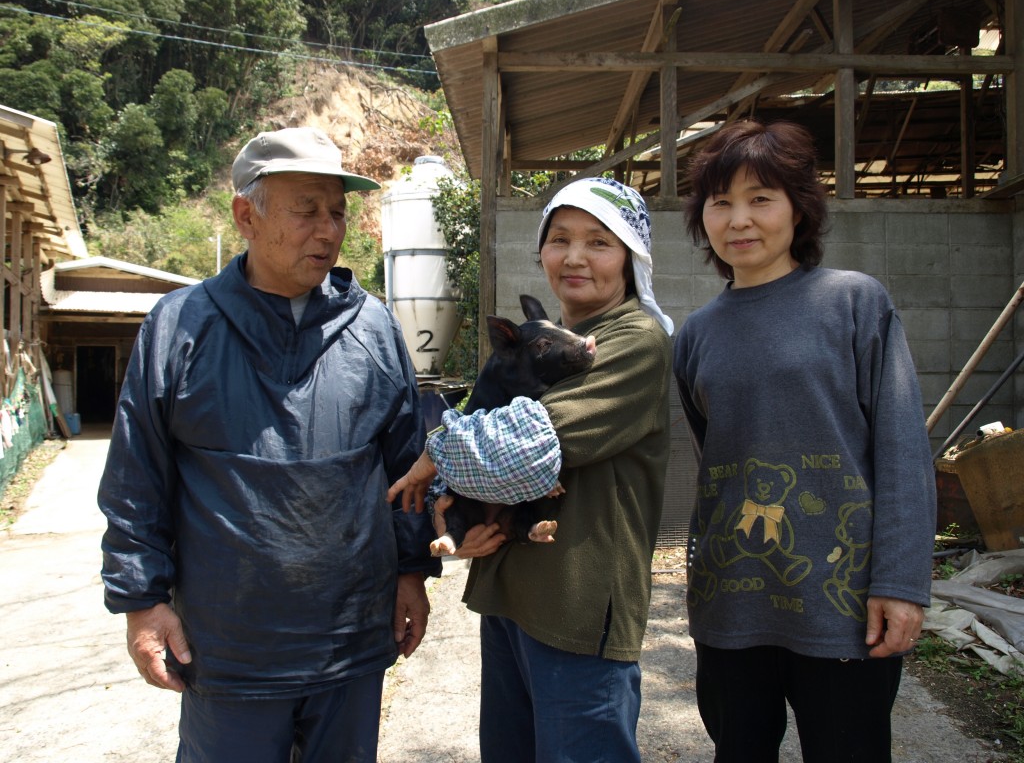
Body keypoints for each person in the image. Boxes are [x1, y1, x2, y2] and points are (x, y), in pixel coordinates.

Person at [98, 126, 441, 762]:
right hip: (229, 647)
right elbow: (136, 476)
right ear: (245, 215)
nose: (329, 229)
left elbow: (405, 468)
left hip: (351, 639)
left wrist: (413, 570)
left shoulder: (371, 327)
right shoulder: (180, 326)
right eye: (306, 210)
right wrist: (141, 603)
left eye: (337, 212)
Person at [673, 119, 936, 762]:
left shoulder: (855, 304)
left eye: (761, 198)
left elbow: (903, 451)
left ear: (799, 207)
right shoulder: (696, 334)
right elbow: (717, 462)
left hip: (843, 607)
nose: (740, 219)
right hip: (730, 603)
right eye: (721, 201)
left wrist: (901, 583)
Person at [388, 177, 675, 763]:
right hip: (512, 598)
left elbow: (517, 448)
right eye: (559, 238)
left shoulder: (633, 340)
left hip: (579, 608)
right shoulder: (555, 345)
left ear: (630, 256)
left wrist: (434, 450)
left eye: (599, 241)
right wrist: (454, 504)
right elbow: (477, 443)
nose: (574, 256)